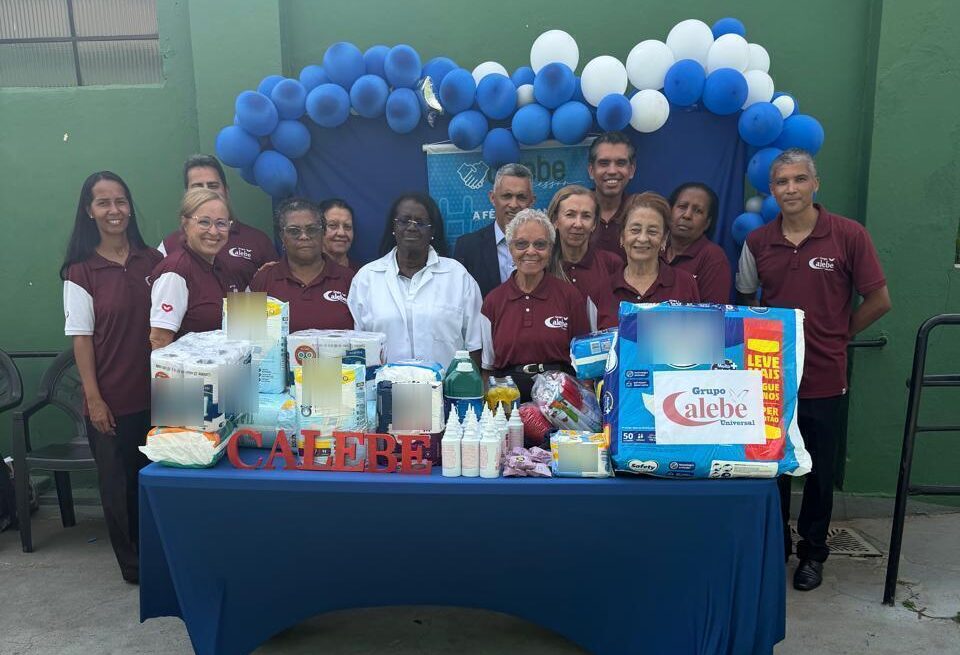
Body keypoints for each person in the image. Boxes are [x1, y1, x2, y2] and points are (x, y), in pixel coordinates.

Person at [736, 148, 891, 592]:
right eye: (782, 182)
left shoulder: (848, 236)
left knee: (819, 473)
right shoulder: (758, 243)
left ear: (815, 184)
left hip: (824, 377)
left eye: (799, 180)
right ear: (772, 190)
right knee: (772, 470)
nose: (791, 189)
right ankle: (774, 549)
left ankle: (813, 554)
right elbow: (747, 302)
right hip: (769, 381)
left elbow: (880, 301)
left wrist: (839, 335)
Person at [61, 171, 162, 583]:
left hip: (160, 398)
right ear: (89, 211)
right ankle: (134, 568)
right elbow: (81, 341)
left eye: (120, 201)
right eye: (103, 203)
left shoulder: (153, 262)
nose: (113, 210)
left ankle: (159, 553)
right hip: (112, 402)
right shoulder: (80, 272)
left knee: (152, 484)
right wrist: (94, 399)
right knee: (119, 490)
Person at [349, 192, 482, 366]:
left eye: (420, 223)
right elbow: (358, 349)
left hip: (445, 390)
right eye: (404, 221)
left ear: (432, 230)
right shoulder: (367, 278)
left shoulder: (457, 276)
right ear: (393, 227)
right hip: (385, 390)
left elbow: (475, 346)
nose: (411, 228)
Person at [480, 209, 591, 401]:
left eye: (540, 244)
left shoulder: (569, 296)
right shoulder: (493, 301)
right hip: (508, 401)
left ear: (550, 248)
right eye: (521, 244)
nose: (531, 251)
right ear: (510, 248)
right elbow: (487, 370)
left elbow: (585, 367)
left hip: (560, 403)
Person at [159, 154, 277, 287]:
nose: (206, 192)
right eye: (198, 186)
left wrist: (254, 289)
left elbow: (274, 300)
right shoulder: (170, 246)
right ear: (187, 194)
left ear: (226, 191)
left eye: (213, 185)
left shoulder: (258, 241)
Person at [149, 188, 244, 349]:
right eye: (204, 222)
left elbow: (242, 326)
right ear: (185, 224)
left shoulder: (221, 266)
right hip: (188, 374)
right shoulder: (176, 271)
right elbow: (159, 339)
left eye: (221, 223)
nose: (213, 231)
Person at [250, 197, 354, 333]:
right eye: (294, 231)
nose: (304, 236)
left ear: (323, 233)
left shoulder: (350, 279)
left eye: (311, 229)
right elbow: (241, 337)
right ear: (282, 236)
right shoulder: (262, 277)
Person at [453, 163, 536, 297]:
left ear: (532, 201)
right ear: (492, 198)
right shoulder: (468, 247)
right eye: (507, 196)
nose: (514, 204)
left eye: (521, 197)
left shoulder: (545, 246)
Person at [547, 184, 622, 330]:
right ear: (555, 220)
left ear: (594, 224)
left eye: (586, 216)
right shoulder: (543, 267)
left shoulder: (611, 264)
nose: (578, 224)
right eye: (570, 215)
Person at [609, 193, 701, 312]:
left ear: (664, 239)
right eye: (635, 230)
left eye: (652, 232)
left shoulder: (685, 284)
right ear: (622, 236)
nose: (642, 238)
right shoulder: (603, 289)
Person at [664, 182, 732, 303]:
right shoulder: (654, 247)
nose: (687, 215)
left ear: (707, 223)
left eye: (698, 211)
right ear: (669, 211)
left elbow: (712, 315)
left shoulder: (713, 258)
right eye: (682, 206)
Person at [587, 131, 637, 258]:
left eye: (620, 163)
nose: (612, 171)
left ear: (631, 170)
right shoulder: (574, 213)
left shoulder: (640, 212)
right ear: (591, 171)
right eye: (604, 163)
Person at [318, 198, 357, 271]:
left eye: (347, 226)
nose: (341, 233)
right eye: (333, 225)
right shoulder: (306, 273)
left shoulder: (361, 275)